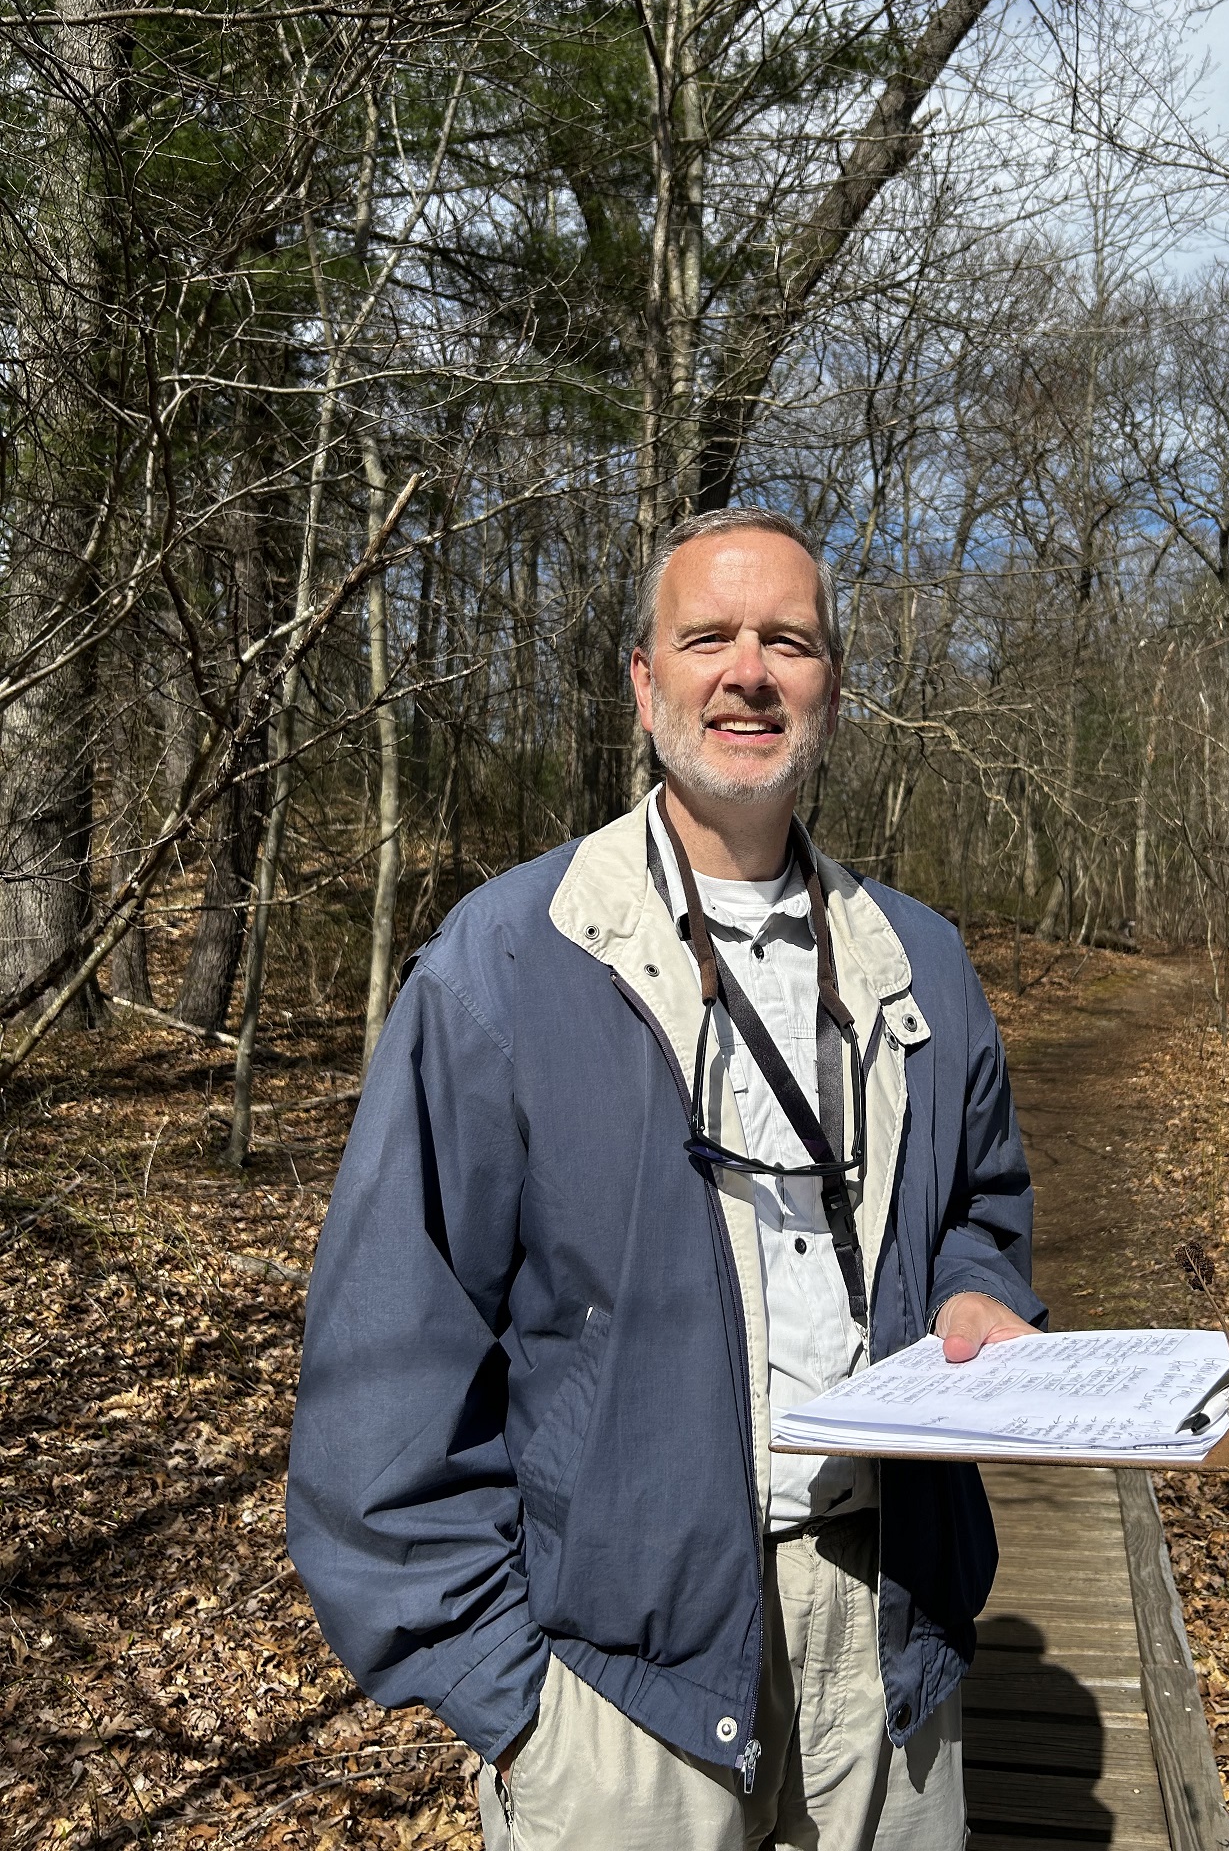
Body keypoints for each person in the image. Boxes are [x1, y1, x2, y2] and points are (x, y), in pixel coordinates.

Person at [286, 507, 1045, 1851]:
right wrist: (511, 1698)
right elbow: (387, 1357)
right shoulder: (507, 963)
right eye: (709, 638)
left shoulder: (917, 961)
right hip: (616, 1686)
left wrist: (978, 1292)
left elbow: (982, 1203)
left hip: (889, 1642)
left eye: (788, 641)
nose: (749, 672)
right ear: (645, 683)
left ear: (831, 686)